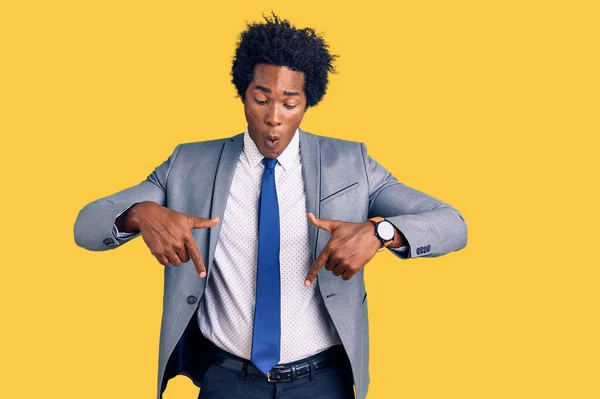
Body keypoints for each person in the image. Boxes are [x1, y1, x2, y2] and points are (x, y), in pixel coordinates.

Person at [74, 13, 467, 399]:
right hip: (226, 380)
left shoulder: (352, 164)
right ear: (243, 94)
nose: (273, 119)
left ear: (307, 103)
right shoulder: (188, 164)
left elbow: (452, 224)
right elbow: (86, 226)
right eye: (260, 99)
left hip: (322, 382)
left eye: (289, 104)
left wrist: (382, 232)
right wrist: (139, 214)